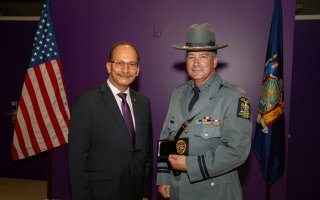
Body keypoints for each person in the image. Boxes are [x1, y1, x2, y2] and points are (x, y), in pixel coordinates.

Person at [157, 23, 252, 200]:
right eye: (191, 57)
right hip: (178, 190)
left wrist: (191, 165)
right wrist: (163, 178)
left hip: (214, 192)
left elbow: (237, 151)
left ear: (214, 61)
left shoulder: (234, 97)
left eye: (203, 57)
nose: (196, 63)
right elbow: (166, 138)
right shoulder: (178, 93)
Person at [69, 41, 152, 200]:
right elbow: (77, 162)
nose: (126, 70)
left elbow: (146, 154)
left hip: (135, 191)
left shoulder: (143, 103)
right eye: (119, 63)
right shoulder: (86, 102)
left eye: (132, 64)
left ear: (138, 70)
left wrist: (144, 193)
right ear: (108, 66)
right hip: (101, 193)